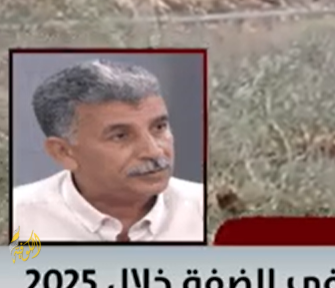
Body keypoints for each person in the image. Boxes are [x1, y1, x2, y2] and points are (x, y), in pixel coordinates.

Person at [12, 59, 204, 242]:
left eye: (159, 127)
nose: (154, 152)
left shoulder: (204, 209)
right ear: (63, 152)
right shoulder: (18, 219)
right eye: (120, 136)